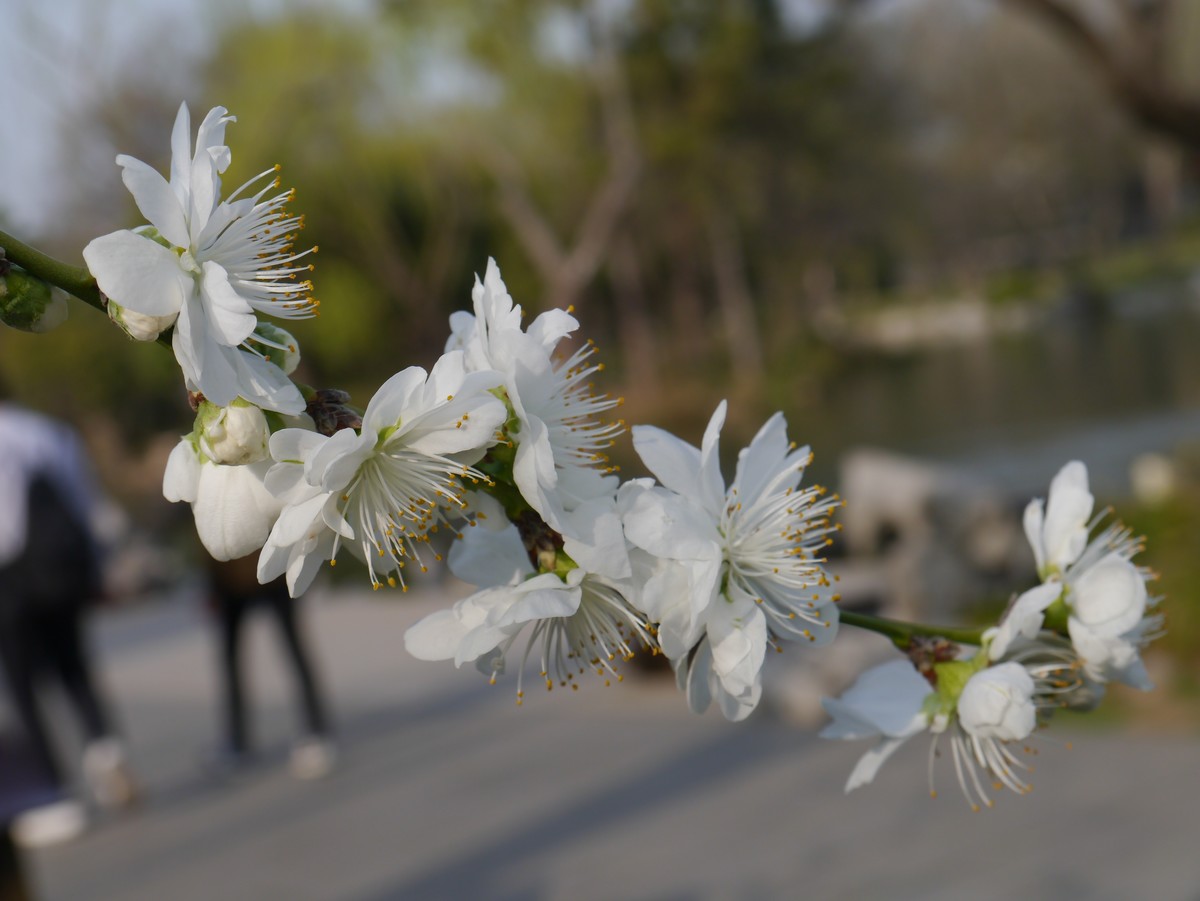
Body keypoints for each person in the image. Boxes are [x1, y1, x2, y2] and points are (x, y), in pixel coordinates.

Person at [0, 388, 137, 846]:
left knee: (24, 686)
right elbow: (86, 503)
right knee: (74, 666)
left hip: (11, 580)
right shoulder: (49, 431)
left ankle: (53, 795)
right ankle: (105, 753)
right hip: (62, 573)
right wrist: (98, 565)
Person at [206, 554, 335, 780]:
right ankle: (237, 740)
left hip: (275, 572)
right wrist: (212, 584)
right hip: (229, 580)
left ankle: (316, 730)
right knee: (231, 661)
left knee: (294, 650)